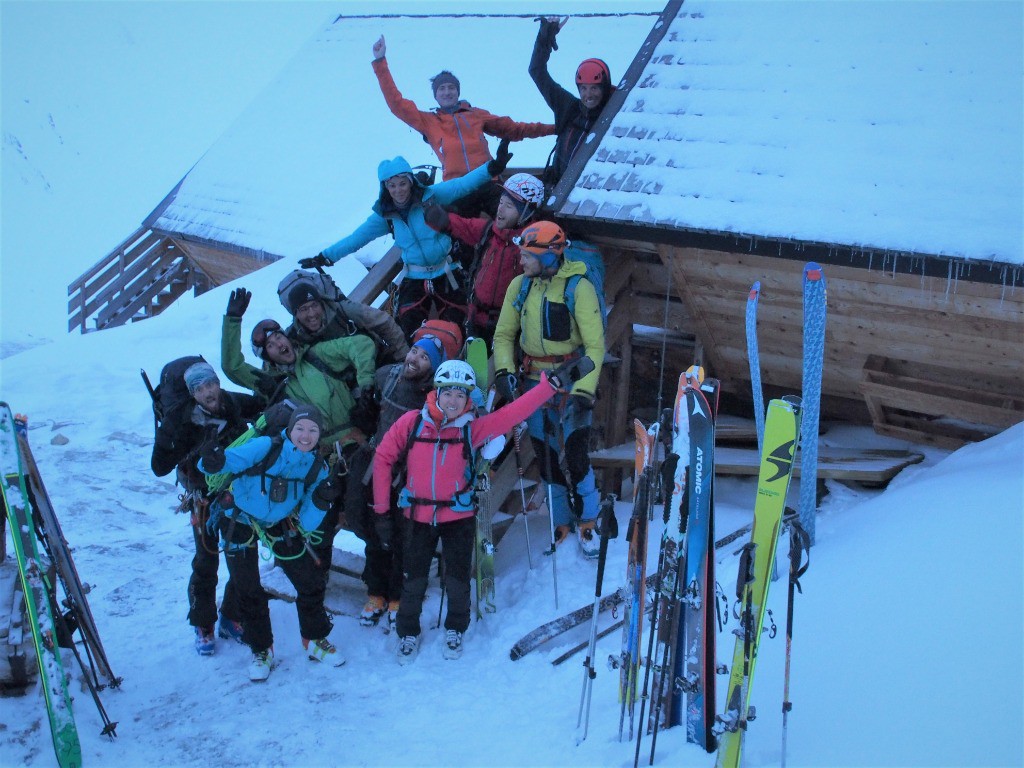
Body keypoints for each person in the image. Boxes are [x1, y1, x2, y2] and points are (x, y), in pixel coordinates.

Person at [372, 359, 570, 664]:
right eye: (447, 392)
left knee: (458, 578)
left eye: (460, 395)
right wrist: (382, 511)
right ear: (436, 392)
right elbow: (384, 458)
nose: (453, 400)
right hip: (416, 517)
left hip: (458, 517)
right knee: (412, 578)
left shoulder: (473, 429)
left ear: (468, 399)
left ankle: (455, 628)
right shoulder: (411, 422)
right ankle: (408, 631)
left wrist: (547, 388)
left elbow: (512, 414)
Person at [219, 288, 377, 580]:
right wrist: (232, 320)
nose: (278, 342)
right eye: (270, 345)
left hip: (354, 442)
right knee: (322, 518)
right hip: (318, 458)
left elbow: (362, 345)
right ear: (267, 356)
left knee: (364, 507)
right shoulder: (271, 383)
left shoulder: (317, 356)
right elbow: (232, 367)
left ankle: (379, 572)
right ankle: (317, 577)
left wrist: (366, 383)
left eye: (279, 336)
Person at [300, 147, 513, 339]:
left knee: (455, 324)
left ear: (411, 181)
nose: (398, 190)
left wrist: (491, 167)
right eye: (392, 185)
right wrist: (326, 256)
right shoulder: (385, 215)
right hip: (414, 277)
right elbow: (357, 238)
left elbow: (461, 186)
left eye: (402, 183)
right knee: (409, 330)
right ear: (385, 187)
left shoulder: (431, 197)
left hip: (447, 272)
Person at [199, 404, 344, 681]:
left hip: (279, 523)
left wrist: (321, 500)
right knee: (248, 587)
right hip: (237, 520)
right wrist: (212, 460)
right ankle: (261, 649)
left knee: (310, 580)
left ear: (319, 435)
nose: (305, 435)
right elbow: (228, 461)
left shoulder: (316, 467)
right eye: (300, 428)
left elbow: (309, 523)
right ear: (289, 430)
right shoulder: (266, 446)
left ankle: (314, 640)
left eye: (313, 430)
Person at [491, 221, 606, 557]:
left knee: (576, 451)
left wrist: (584, 392)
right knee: (545, 455)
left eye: (527, 255)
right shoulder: (520, 286)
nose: (521, 260)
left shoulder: (578, 288)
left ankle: (589, 520)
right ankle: (561, 521)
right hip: (532, 382)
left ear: (547, 255)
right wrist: (504, 370)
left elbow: (595, 345)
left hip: (570, 379)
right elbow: (503, 335)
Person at [370, 34, 555, 216]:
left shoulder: (475, 115)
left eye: (451, 88)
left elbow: (514, 128)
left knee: (510, 220)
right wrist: (380, 62)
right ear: (435, 95)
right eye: (441, 89)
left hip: (488, 182)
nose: (447, 92)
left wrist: (554, 129)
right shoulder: (429, 121)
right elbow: (397, 104)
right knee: (462, 236)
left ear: (458, 92)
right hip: (457, 189)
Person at [150, 360, 262, 656]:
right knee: (206, 560)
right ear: (192, 393)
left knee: (243, 555)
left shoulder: (231, 403)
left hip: (237, 493)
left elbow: (264, 406)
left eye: (211, 383)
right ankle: (203, 623)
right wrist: (172, 440)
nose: (209, 391)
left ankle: (231, 615)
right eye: (200, 388)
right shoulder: (178, 419)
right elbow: (158, 467)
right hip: (202, 497)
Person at [344, 332, 450, 631]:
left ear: (435, 366)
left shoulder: (434, 395)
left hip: (408, 474)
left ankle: (396, 595)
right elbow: (363, 378)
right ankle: (375, 592)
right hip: (376, 463)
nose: (415, 359)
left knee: (403, 534)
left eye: (425, 357)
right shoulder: (387, 376)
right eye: (414, 351)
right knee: (373, 527)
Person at [423, 173, 545, 346]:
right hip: (476, 318)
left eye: (509, 206)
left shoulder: (533, 245)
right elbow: (462, 225)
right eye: (501, 202)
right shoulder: (489, 231)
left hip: (511, 324)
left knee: (498, 366)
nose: (500, 209)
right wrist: (437, 217)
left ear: (527, 212)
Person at [530, 17, 615, 188]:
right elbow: (536, 70)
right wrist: (544, 39)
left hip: (587, 193)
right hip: (555, 188)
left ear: (604, 88)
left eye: (594, 88)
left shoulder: (614, 113)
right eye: (583, 88)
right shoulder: (568, 107)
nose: (588, 95)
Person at [278, 270, 409, 368]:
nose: (311, 314)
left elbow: (383, 322)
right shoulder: (294, 337)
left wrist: (404, 358)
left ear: (321, 303)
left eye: (314, 305)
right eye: (304, 309)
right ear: (295, 314)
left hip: (377, 363)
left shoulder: (344, 310)